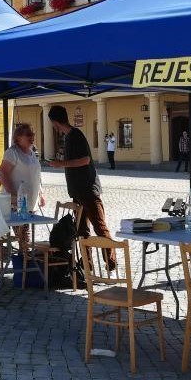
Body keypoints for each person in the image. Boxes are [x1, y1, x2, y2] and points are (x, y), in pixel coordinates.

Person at [45, 105, 115, 270]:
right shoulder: (68, 137)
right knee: (82, 231)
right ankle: (86, 266)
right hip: (78, 192)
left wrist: (61, 164)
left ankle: (111, 262)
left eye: (53, 123)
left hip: (88, 190)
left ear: (55, 122)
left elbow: (85, 160)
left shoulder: (76, 135)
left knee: (100, 227)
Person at [0, 123, 46, 249]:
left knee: (25, 237)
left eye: (33, 134)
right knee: (25, 239)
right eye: (28, 134)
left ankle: (24, 263)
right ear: (18, 137)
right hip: (17, 204)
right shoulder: (12, 152)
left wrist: (41, 194)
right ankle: (24, 264)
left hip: (30, 202)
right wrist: (12, 194)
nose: (32, 137)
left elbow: (35, 175)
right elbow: (2, 172)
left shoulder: (31, 153)